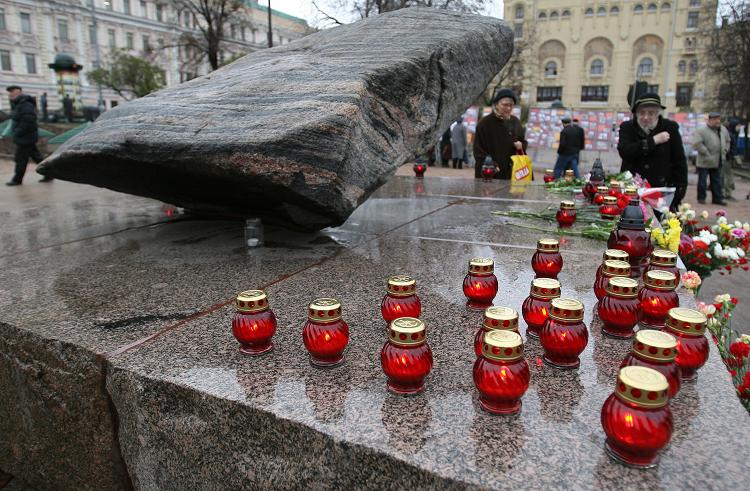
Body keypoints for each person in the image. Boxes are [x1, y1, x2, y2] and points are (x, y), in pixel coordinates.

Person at [617, 92, 687, 211]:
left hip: (661, 191)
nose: (645, 117)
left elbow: (679, 161)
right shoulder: (627, 128)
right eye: (642, 113)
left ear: (658, 113)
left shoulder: (670, 128)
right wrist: (653, 141)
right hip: (632, 190)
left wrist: (678, 192)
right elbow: (625, 152)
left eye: (651, 113)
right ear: (636, 113)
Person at [473, 88, 527, 179]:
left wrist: (521, 145)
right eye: (505, 105)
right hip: (489, 173)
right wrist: (492, 166)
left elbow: (523, 141)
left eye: (511, 105)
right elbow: (478, 151)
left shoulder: (515, 122)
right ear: (496, 104)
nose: (508, 108)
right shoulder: (485, 123)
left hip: (511, 173)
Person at [5, 85, 51, 186]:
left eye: (12, 92)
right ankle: (49, 174)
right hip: (26, 137)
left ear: (18, 92)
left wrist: (17, 132)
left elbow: (28, 121)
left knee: (21, 159)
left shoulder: (25, 104)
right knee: (37, 157)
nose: (10, 94)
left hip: (25, 137)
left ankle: (17, 179)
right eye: (9, 92)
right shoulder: (18, 104)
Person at [693, 112, 730, 205]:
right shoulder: (701, 130)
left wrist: (725, 150)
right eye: (715, 119)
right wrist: (706, 152)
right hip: (704, 160)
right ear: (709, 120)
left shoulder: (723, 130)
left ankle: (717, 198)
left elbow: (728, 141)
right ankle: (701, 198)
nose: (717, 121)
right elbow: (697, 143)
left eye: (718, 119)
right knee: (702, 181)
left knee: (716, 181)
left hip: (718, 160)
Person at [724, 116, 743, 201]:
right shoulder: (730, 135)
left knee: (729, 176)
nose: (739, 128)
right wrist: (736, 158)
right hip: (727, 159)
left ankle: (727, 192)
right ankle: (727, 194)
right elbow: (731, 149)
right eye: (738, 126)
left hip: (728, 158)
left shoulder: (732, 134)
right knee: (728, 177)